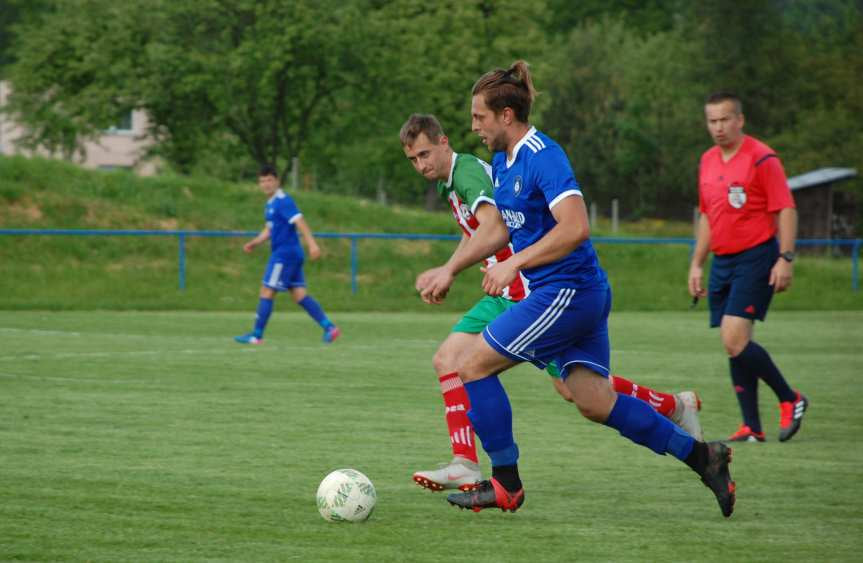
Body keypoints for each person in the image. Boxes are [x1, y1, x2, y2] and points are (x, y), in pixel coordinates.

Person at [418, 61, 735, 518]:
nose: (474, 127)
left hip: (565, 293)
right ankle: (704, 457)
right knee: (593, 400)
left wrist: (518, 265)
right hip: (572, 295)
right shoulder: (505, 164)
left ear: (506, 115)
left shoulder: (542, 154)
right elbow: (499, 232)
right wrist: (451, 269)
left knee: (471, 367)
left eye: (479, 117)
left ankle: (506, 484)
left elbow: (576, 227)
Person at [688, 92, 808, 443]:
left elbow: (785, 208)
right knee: (735, 343)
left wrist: (785, 258)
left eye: (725, 119)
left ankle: (791, 398)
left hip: (756, 257)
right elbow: (708, 215)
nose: (718, 127)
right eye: (712, 121)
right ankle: (752, 427)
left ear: (740, 120)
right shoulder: (708, 160)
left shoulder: (761, 158)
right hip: (722, 261)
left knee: (734, 337)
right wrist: (697, 264)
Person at [234, 165, 340, 345]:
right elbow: (269, 229)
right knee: (299, 295)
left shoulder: (283, 200)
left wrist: (312, 244)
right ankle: (330, 327)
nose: (265, 184)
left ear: (277, 181)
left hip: (284, 255)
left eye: (269, 180)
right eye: (262, 181)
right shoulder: (271, 204)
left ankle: (256, 335)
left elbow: (300, 221)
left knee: (267, 290)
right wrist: (255, 243)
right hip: (291, 254)